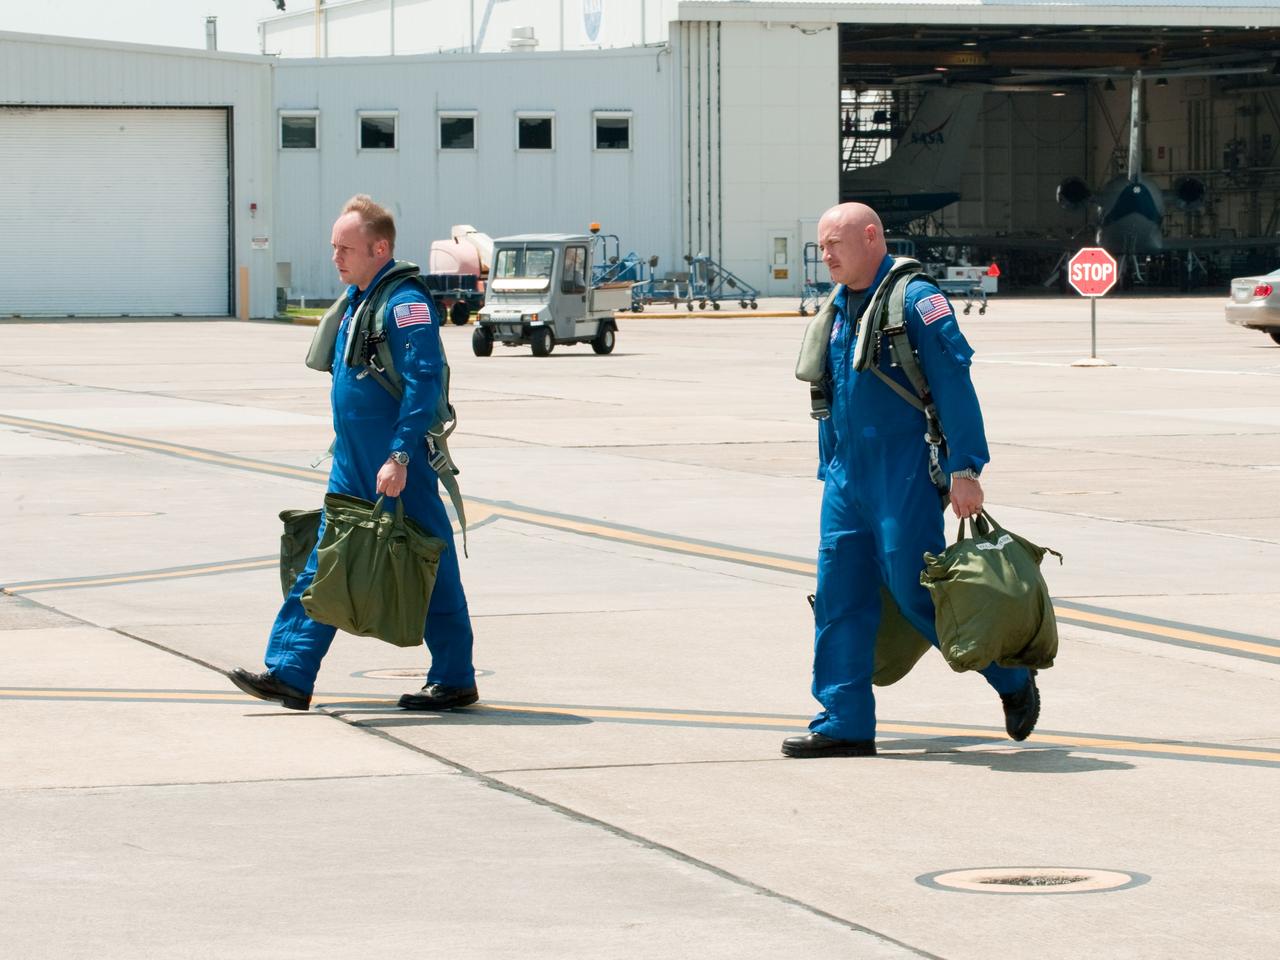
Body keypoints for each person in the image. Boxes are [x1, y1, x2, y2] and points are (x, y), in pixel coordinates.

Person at [783, 202, 1039, 758]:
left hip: (902, 475)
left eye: (835, 244)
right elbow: (831, 398)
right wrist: (830, 471)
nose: (826, 256)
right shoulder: (839, 307)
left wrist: (965, 468)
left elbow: (953, 384)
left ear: (871, 237)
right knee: (838, 598)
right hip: (847, 481)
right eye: (822, 246)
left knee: (918, 594)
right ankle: (843, 719)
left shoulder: (917, 300)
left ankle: (1011, 679)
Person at [229, 195, 477, 712]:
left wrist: (401, 457)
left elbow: (422, 382)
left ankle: (454, 676)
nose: (336, 257)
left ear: (379, 247)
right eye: (333, 247)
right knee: (324, 562)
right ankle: (292, 673)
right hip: (353, 462)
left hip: (393, 465)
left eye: (346, 248)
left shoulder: (404, 301)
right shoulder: (358, 299)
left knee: (429, 563)